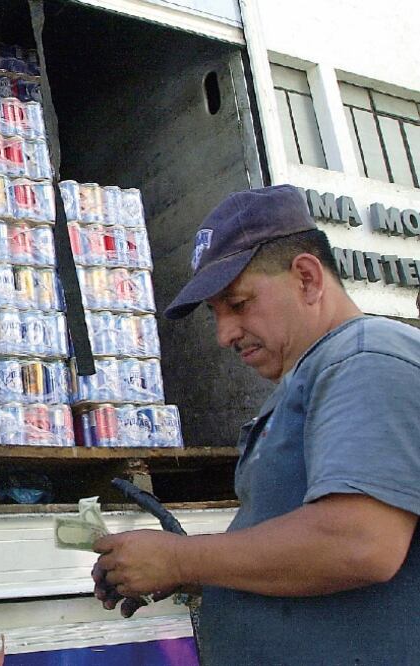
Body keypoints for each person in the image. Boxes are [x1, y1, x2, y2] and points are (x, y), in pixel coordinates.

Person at [91, 185, 420, 664]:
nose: (225, 334)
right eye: (215, 314)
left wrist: (180, 558)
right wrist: (185, 570)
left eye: (239, 304)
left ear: (307, 278)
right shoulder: (311, 377)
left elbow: (360, 543)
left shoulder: (366, 356)